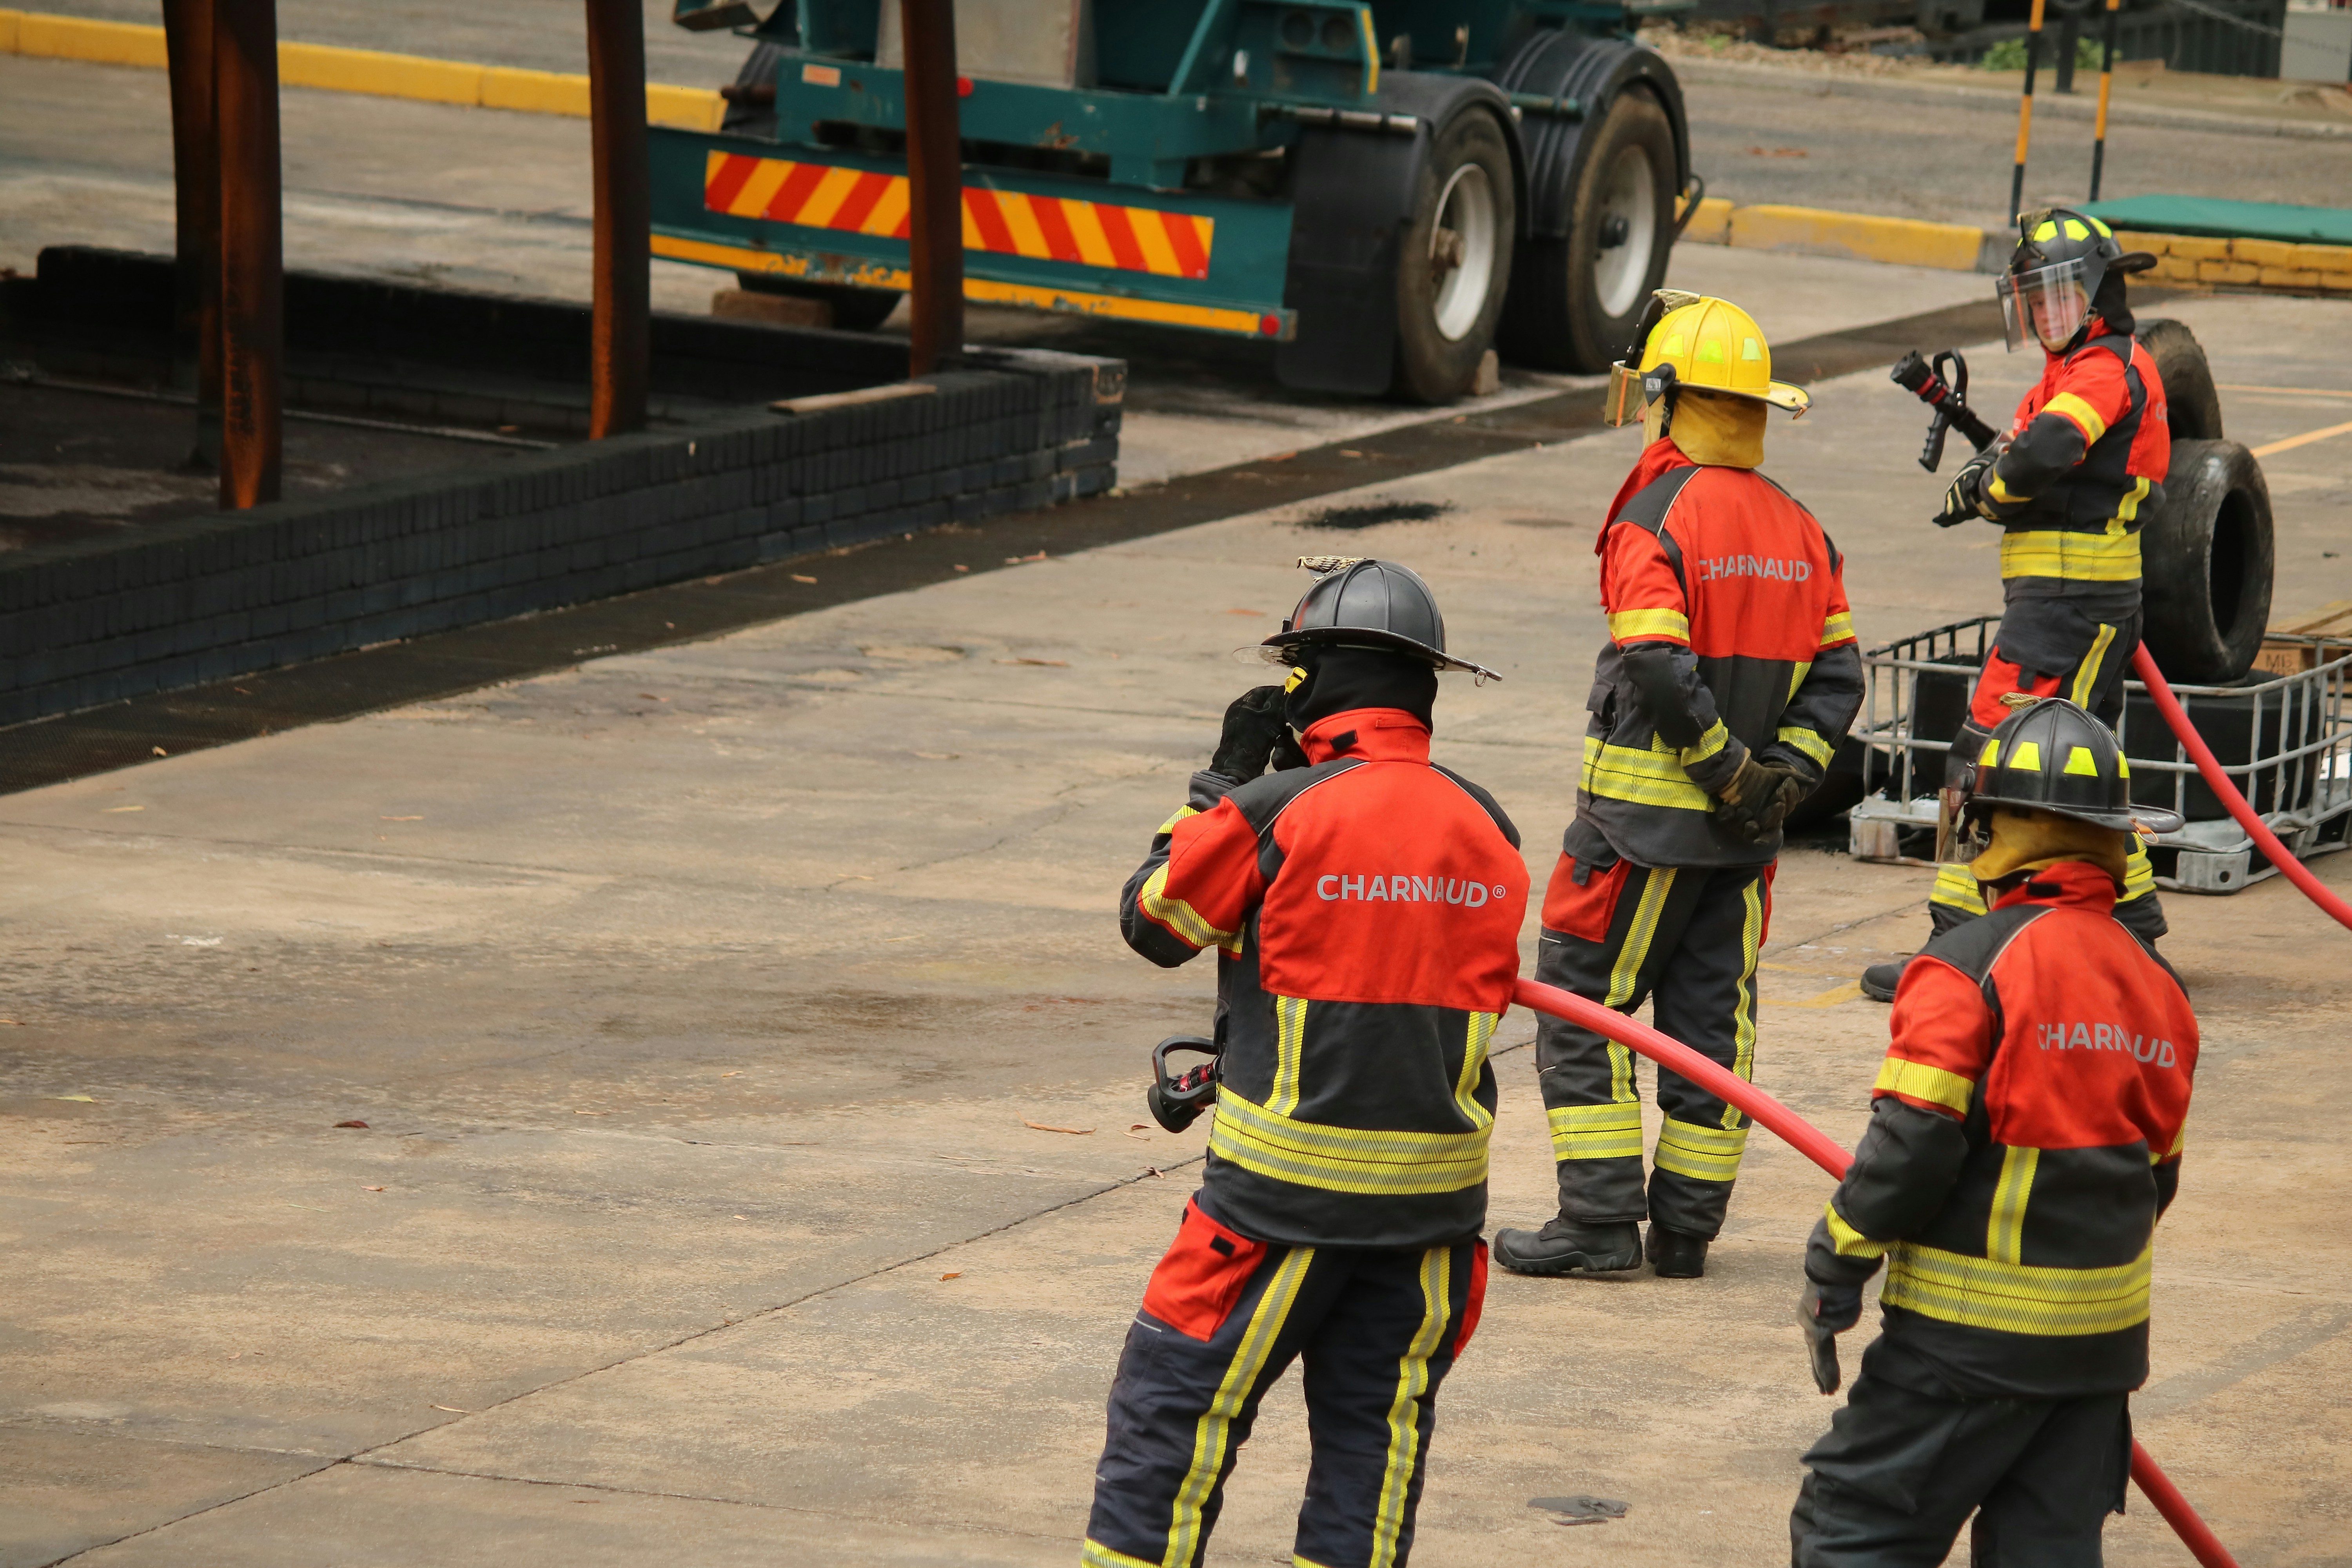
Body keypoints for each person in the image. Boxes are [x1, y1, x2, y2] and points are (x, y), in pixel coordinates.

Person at [1081, 557, 1530, 1568]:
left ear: (1312, 679)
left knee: (1170, 1417)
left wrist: (1221, 787)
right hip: (1433, 1221)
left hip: (1277, 1205)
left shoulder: (1276, 809)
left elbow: (1153, 919)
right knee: (1373, 1455)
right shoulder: (1489, 825)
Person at [1492, 293, 1864, 1283]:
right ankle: (1688, 1233)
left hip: (1639, 834)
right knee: (1712, 1029)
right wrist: (1782, 779)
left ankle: (1601, 1224)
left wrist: (1720, 766)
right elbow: (1839, 678)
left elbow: (1656, 663)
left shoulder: (1655, 512)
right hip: (1745, 843)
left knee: (1584, 1012)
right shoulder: (1802, 529)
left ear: (1664, 398)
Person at [1792, 697, 2197, 1566]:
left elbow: (1913, 1145)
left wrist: (1836, 1260)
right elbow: (2157, 1178)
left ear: (1995, 826)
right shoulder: (2158, 987)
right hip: (2102, 1352)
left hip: (1964, 1349)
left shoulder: (1966, 967)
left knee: (1853, 1533)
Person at [1862, 209, 2171, 1003]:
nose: (2045, 314)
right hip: (2061, 609)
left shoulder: (2105, 368)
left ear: (2099, 296)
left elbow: (2041, 454)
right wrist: (1992, 466)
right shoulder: (2070, 371)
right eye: (2035, 300)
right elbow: (2025, 440)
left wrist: (1990, 491)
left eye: (2059, 296)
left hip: (2072, 610)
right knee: (2061, 762)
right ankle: (2128, 931)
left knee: (1991, 757)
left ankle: (1956, 945)